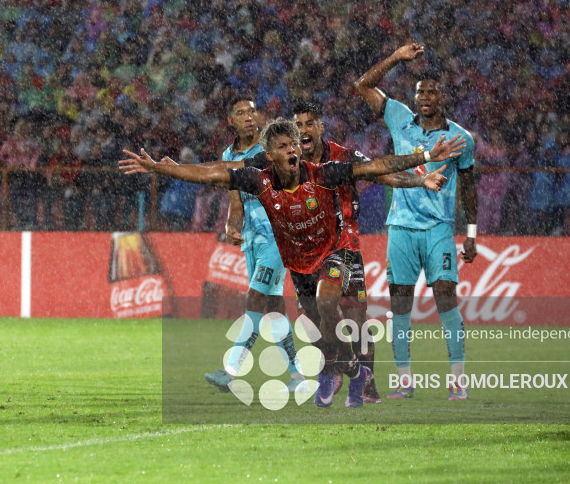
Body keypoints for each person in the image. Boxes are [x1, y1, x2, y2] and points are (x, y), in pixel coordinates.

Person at [121, 118, 462, 408]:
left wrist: (426, 157)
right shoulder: (259, 179)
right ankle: (348, 370)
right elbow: (212, 173)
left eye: (294, 145)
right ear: (269, 156)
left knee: (329, 302)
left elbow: (375, 167)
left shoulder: (323, 174)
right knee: (316, 325)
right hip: (299, 265)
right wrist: (163, 168)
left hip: (334, 251)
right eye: (284, 146)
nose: (292, 151)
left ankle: (346, 368)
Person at [292, 99, 444, 403]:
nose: (304, 130)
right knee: (315, 318)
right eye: (298, 125)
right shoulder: (288, 163)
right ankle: (341, 366)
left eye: (309, 123)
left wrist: (419, 179)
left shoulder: (345, 158)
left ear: (321, 128)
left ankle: (362, 379)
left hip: (344, 248)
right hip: (306, 254)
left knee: (356, 319)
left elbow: (380, 172)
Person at [354, 43, 478, 401]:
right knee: (400, 304)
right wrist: (393, 57)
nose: (425, 97)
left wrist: (470, 234)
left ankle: (457, 381)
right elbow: (363, 85)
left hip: (439, 228)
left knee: (445, 300)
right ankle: (405, 382)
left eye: (432, 91)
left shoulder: (460, 138)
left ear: (443, 96)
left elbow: (468, 186)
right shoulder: (399, 117)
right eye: (421, 91)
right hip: (401, 227)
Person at [201, 97, 303, 393]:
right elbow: (236, 200)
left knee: (255, 298)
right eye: (240, 113)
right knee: (273, 307)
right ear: (230, 121)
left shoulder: (270, 149)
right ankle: (297, 372)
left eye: (251, 111)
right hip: (253, 239)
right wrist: (232, 226)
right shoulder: (228, 154)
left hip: (277, 234)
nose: (248, 117)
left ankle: (231, 369)